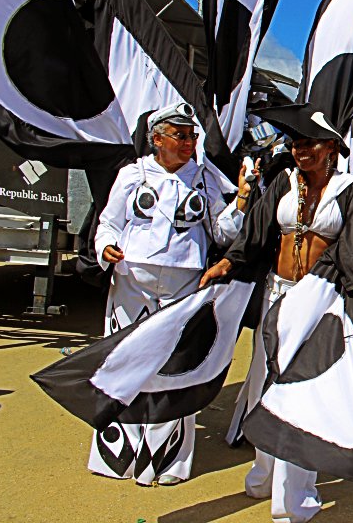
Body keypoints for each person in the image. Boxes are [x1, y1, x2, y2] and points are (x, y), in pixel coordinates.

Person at [200, 104, 353, 523]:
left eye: (310, 143)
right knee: (264, 383)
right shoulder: (283, 181)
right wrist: (228, 262)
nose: (302, 151)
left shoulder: (349, 189)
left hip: (318, 300)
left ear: (332, 148)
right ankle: (264, 472)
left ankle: (294, 495)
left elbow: (352, 242)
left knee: (301, 391)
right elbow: (257, 230)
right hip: (276, 295)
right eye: (296, 143)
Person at [90, 102, 250, 486]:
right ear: (157, 139)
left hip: (182, 286)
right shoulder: (132, 174)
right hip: (132, 283)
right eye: (181, 135)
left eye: (192, 136)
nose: (189, 142)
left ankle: (164, 461)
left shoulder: (205, 177)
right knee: (126, 361)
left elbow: (223, 232)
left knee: (173, 368)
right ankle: (117, 455)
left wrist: (241, 200)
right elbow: (108, 222)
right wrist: (107, 246)